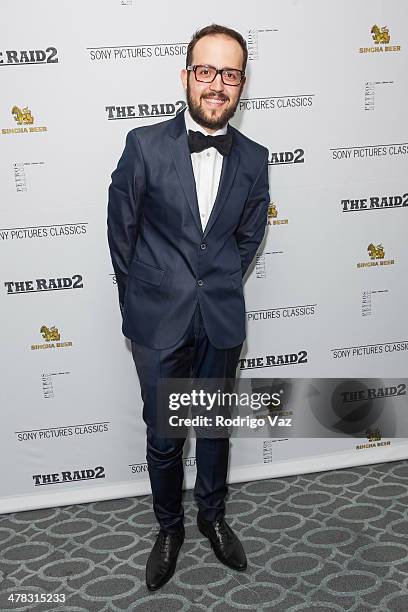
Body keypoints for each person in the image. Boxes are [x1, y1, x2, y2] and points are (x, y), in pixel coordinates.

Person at [107, 23, 270, 591]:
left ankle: (213, 518)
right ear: (186, 76)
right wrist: (147, 298)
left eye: (229, 75)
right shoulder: (144, 145)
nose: (217, 85)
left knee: (215, 428)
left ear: (242, 84)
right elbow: (121, 235)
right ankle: (170, 527)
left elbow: (246, 240)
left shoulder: (255, 158)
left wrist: (217, 284)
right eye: (206, 71)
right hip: (158, 322)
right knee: (164, 435)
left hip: (220, 319)